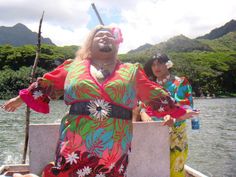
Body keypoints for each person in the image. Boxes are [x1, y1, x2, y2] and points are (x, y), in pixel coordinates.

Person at [1, 26, 198, 177]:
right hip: (75, 140)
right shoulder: (73, 67)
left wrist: (179, 111)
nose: (105, 36)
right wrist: (20, 99)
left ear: (116, 44)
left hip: (114, 143)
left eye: (109, 35)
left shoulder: (131, 70)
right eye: (99, 34)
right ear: (90, 42)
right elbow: (46, 83)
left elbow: (153, 93)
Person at [140, 53, 194, 177]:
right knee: (154, 169)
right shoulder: (149, 85)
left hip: (175, 135)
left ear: (168, 64)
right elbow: (142, 106)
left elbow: (187, 107)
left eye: (160, 63)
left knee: (175, 170)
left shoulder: (180, 82)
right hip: (152, 133)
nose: (156, 67)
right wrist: (144, 115)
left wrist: (173, 118)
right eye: (153, 64)